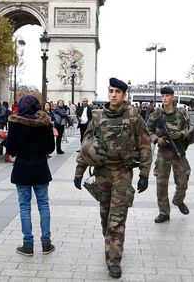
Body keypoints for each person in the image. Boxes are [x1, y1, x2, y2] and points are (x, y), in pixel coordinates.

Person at [74, 77, 152, 278]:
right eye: (111, 91)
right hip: (102, 174)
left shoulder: (134, 117)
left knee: (117, 218)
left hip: (123, 174)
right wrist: (79, 171)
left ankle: (114, 260)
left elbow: (145, 146)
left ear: (124, 95)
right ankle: (110, 243)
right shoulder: (98, 117)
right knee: (104, 214)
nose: (113, 95)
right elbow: (86, 146)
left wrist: (144, 174)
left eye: (118, 92)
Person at [5, 95, 56, 257]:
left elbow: (11, 149)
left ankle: (28, 244)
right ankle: (46, 243)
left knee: (24, 206)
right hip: (40, 167)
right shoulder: (45, 123)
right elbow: (50, 148)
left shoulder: (15, 123)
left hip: (22, 168)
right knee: (43, 205)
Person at [146, 86, 192, 223]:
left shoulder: (182, 112)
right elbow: (148, 131)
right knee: (161, 185)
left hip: (179, 152)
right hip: (163, 154)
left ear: (173, 97)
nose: (164, 98)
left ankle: (178, 200)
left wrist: (181, 134)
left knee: (183, 182)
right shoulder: (156, 114)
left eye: (167, 96)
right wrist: (157, 140)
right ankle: (164, 212)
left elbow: (190, 128)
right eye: (163, 96)